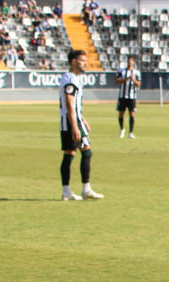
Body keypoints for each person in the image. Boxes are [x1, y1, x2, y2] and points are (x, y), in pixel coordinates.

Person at [59, 49, 102, 201]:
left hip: (73, 120)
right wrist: (76, 126)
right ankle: (84, 189)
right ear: (73, 62)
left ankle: (68, 191)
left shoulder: (74, 78)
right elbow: (70, 104)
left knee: (71, 154)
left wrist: (82, 119)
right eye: (82, 61)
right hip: (71, 122)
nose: (85, 64)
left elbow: (74, 105)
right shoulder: (70, 79)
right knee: (83, 152)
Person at [116, 55, 140, 139]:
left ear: (134, 62)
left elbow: (139, 84)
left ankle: (131, 132)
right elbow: (117, 81)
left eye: (131, 61)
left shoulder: (136, 72)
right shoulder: (121, 71)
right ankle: (122, 129)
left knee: (132, 114)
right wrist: (126, 79)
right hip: (122, 96)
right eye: (129, 60)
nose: (130, 62)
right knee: (121, 113)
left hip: (132, 97)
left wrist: (133, 80)